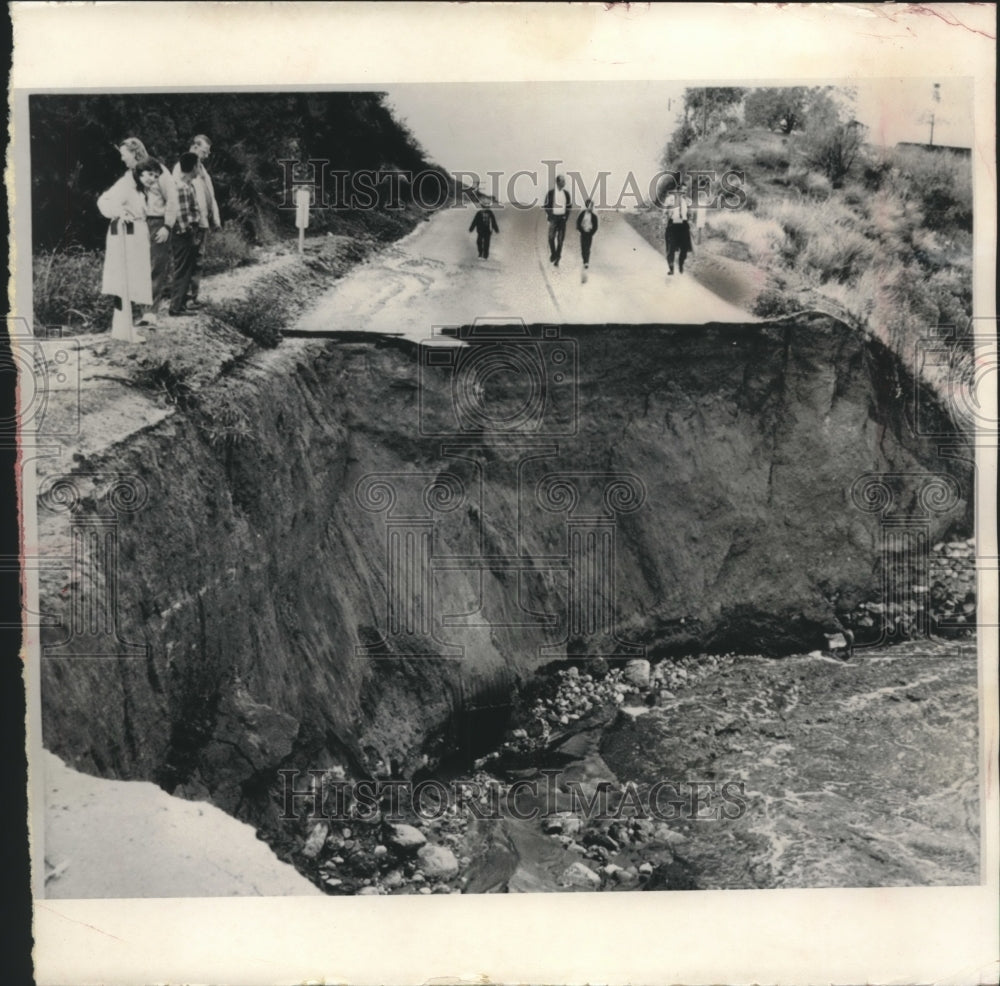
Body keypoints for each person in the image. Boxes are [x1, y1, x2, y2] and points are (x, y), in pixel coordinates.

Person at [97, 146, 154, 342]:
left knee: (133, 280)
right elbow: (104, 201)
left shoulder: (137, 187)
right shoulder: (125, 184)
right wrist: (119, 213)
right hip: (124, 235)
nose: (152, 179)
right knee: (124, 280)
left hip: (135, 234)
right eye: (150, 175)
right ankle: (122, 330)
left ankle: (124, 327)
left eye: (155, 176)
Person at [172, 134, 221, 310]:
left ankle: (193, 295)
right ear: (194, 147)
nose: (207, 155)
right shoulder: (182, 168)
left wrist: (215, 217)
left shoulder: (202, 169)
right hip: (192, 222)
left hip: (202, 221)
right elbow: (180, 197)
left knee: (198, 260)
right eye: (205, 151)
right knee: (190, 260)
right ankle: (185, 299)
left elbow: (210, 194)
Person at [133, 156, 177, 327]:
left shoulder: (161, 174)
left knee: (156, 266)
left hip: (157, 222)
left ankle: (150, 312)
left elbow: (172, 200)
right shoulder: (133, 182)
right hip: (138, 224)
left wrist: (167, 226)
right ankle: (141, 311)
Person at [168, 153, 204, 317]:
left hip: (187, 232)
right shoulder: (181, 187)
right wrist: (188, 231)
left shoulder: (186, 185)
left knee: (187, 268)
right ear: (193, 167)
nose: (199, 169)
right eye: (198, 165)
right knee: (182, 269)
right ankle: (176, 307)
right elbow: (181, 214)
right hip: (183, 233)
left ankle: (181, 304)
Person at [663, 180, 694, 275]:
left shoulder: (687, 201)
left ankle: (681, 264)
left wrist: (690, 220)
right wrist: (665, 223)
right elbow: (664, 212)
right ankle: (671, 267)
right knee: (671, 248)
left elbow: (690, 214)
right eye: (682, 190)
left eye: (686, 190)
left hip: (683, 225)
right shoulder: (670, 199)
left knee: (684, 248)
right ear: (678, 190)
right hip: (673, 224)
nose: (684, 192)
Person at [543, 174, 572, 267]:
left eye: (564, 181)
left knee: (560, 239)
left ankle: (558, 257)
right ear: (558, 182)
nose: (564, 183)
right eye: (563, 181)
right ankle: (554, 253)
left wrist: (566, 217)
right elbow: (546, 205)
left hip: (562, 219)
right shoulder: (551, 193)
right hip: (553, 218)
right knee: (551, 237)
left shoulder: (566, 194)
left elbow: (569, 206)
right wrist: (551, 215)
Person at [575, 198, 599, 270]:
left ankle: (586, 262)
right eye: (589, 206)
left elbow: (595, 226)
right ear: (586, 206)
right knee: (583, 248)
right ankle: (584, 260)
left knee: (587, 248)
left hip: (589, 234)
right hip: (583, 233)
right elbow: (578, 223)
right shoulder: (582, 214)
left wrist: (591, 233)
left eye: (591, 206)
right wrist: (581, 230)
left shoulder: (594, 216)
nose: (590, 207)